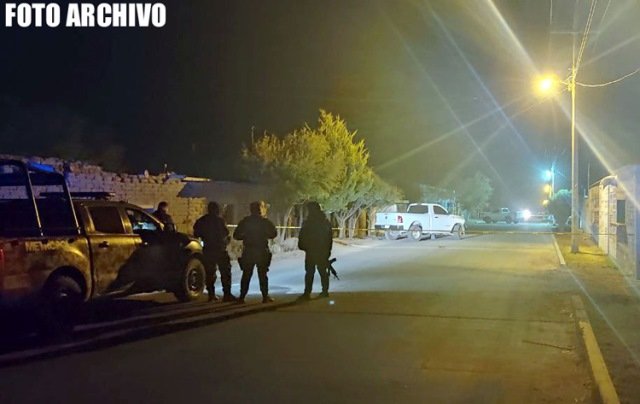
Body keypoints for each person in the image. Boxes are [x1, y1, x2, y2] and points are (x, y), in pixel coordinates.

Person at [233, 201, 277, 303]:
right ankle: (265, 297)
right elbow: (274, 234)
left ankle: (242, 297)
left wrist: (246, 237)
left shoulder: (245, 221)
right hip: (261, 250)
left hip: (249, 250)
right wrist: (264, 235)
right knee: (262, 275)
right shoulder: (264, 222)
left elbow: (236, 235)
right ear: (259, 209)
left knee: (246, 275)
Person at [193, 202, 236, 302]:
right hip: (220, 249)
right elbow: (225, 233)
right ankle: (227, 294)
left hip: (208, 249)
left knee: (210, 273)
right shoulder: (219, 221)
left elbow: (196, 233)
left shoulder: (202, 221)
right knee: (225, 272)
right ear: (216, 210)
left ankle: (211, 295)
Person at [298, 201, 333, 299]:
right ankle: (324, 291)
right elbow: (329, 238)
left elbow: (303, 235)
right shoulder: (324, 221)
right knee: (321, 271)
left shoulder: (310, 222)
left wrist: (303, 245)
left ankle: (308, 292)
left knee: (311, 272)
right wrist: (328, 250)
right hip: (320, 250)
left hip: (313, 250)